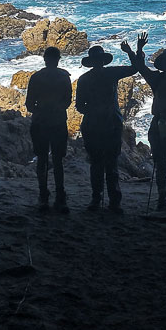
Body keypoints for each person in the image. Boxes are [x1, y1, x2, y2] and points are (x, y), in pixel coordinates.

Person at [125, 32, 166, 215]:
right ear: (163, 66)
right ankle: (162, 199)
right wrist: (138, 49)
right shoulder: (157, 78)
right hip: (159, 127)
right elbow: (140, 67)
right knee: (161, 165)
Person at [75, 42, 139, 213]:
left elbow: (80, 107)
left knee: (96, 164)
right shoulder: (111, 73)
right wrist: (132, 51)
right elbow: (135, 68)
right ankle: (114, 202)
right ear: (103, 61)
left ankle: (97, 199)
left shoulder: (84, 79)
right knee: (111, 164)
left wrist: (94, 110)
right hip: (111, 123)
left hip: (92, 125)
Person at [25, 46, 73, 213]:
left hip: (39, 122)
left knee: (42, 159)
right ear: (59, 59)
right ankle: (60, 197)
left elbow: (29, 105)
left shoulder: (36, 77)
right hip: (59, 122)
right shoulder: (64, 77)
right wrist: (56, 108)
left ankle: (43, 195)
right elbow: (68, 101)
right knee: (58, 160)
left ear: (45, 59)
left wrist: (41, 109)